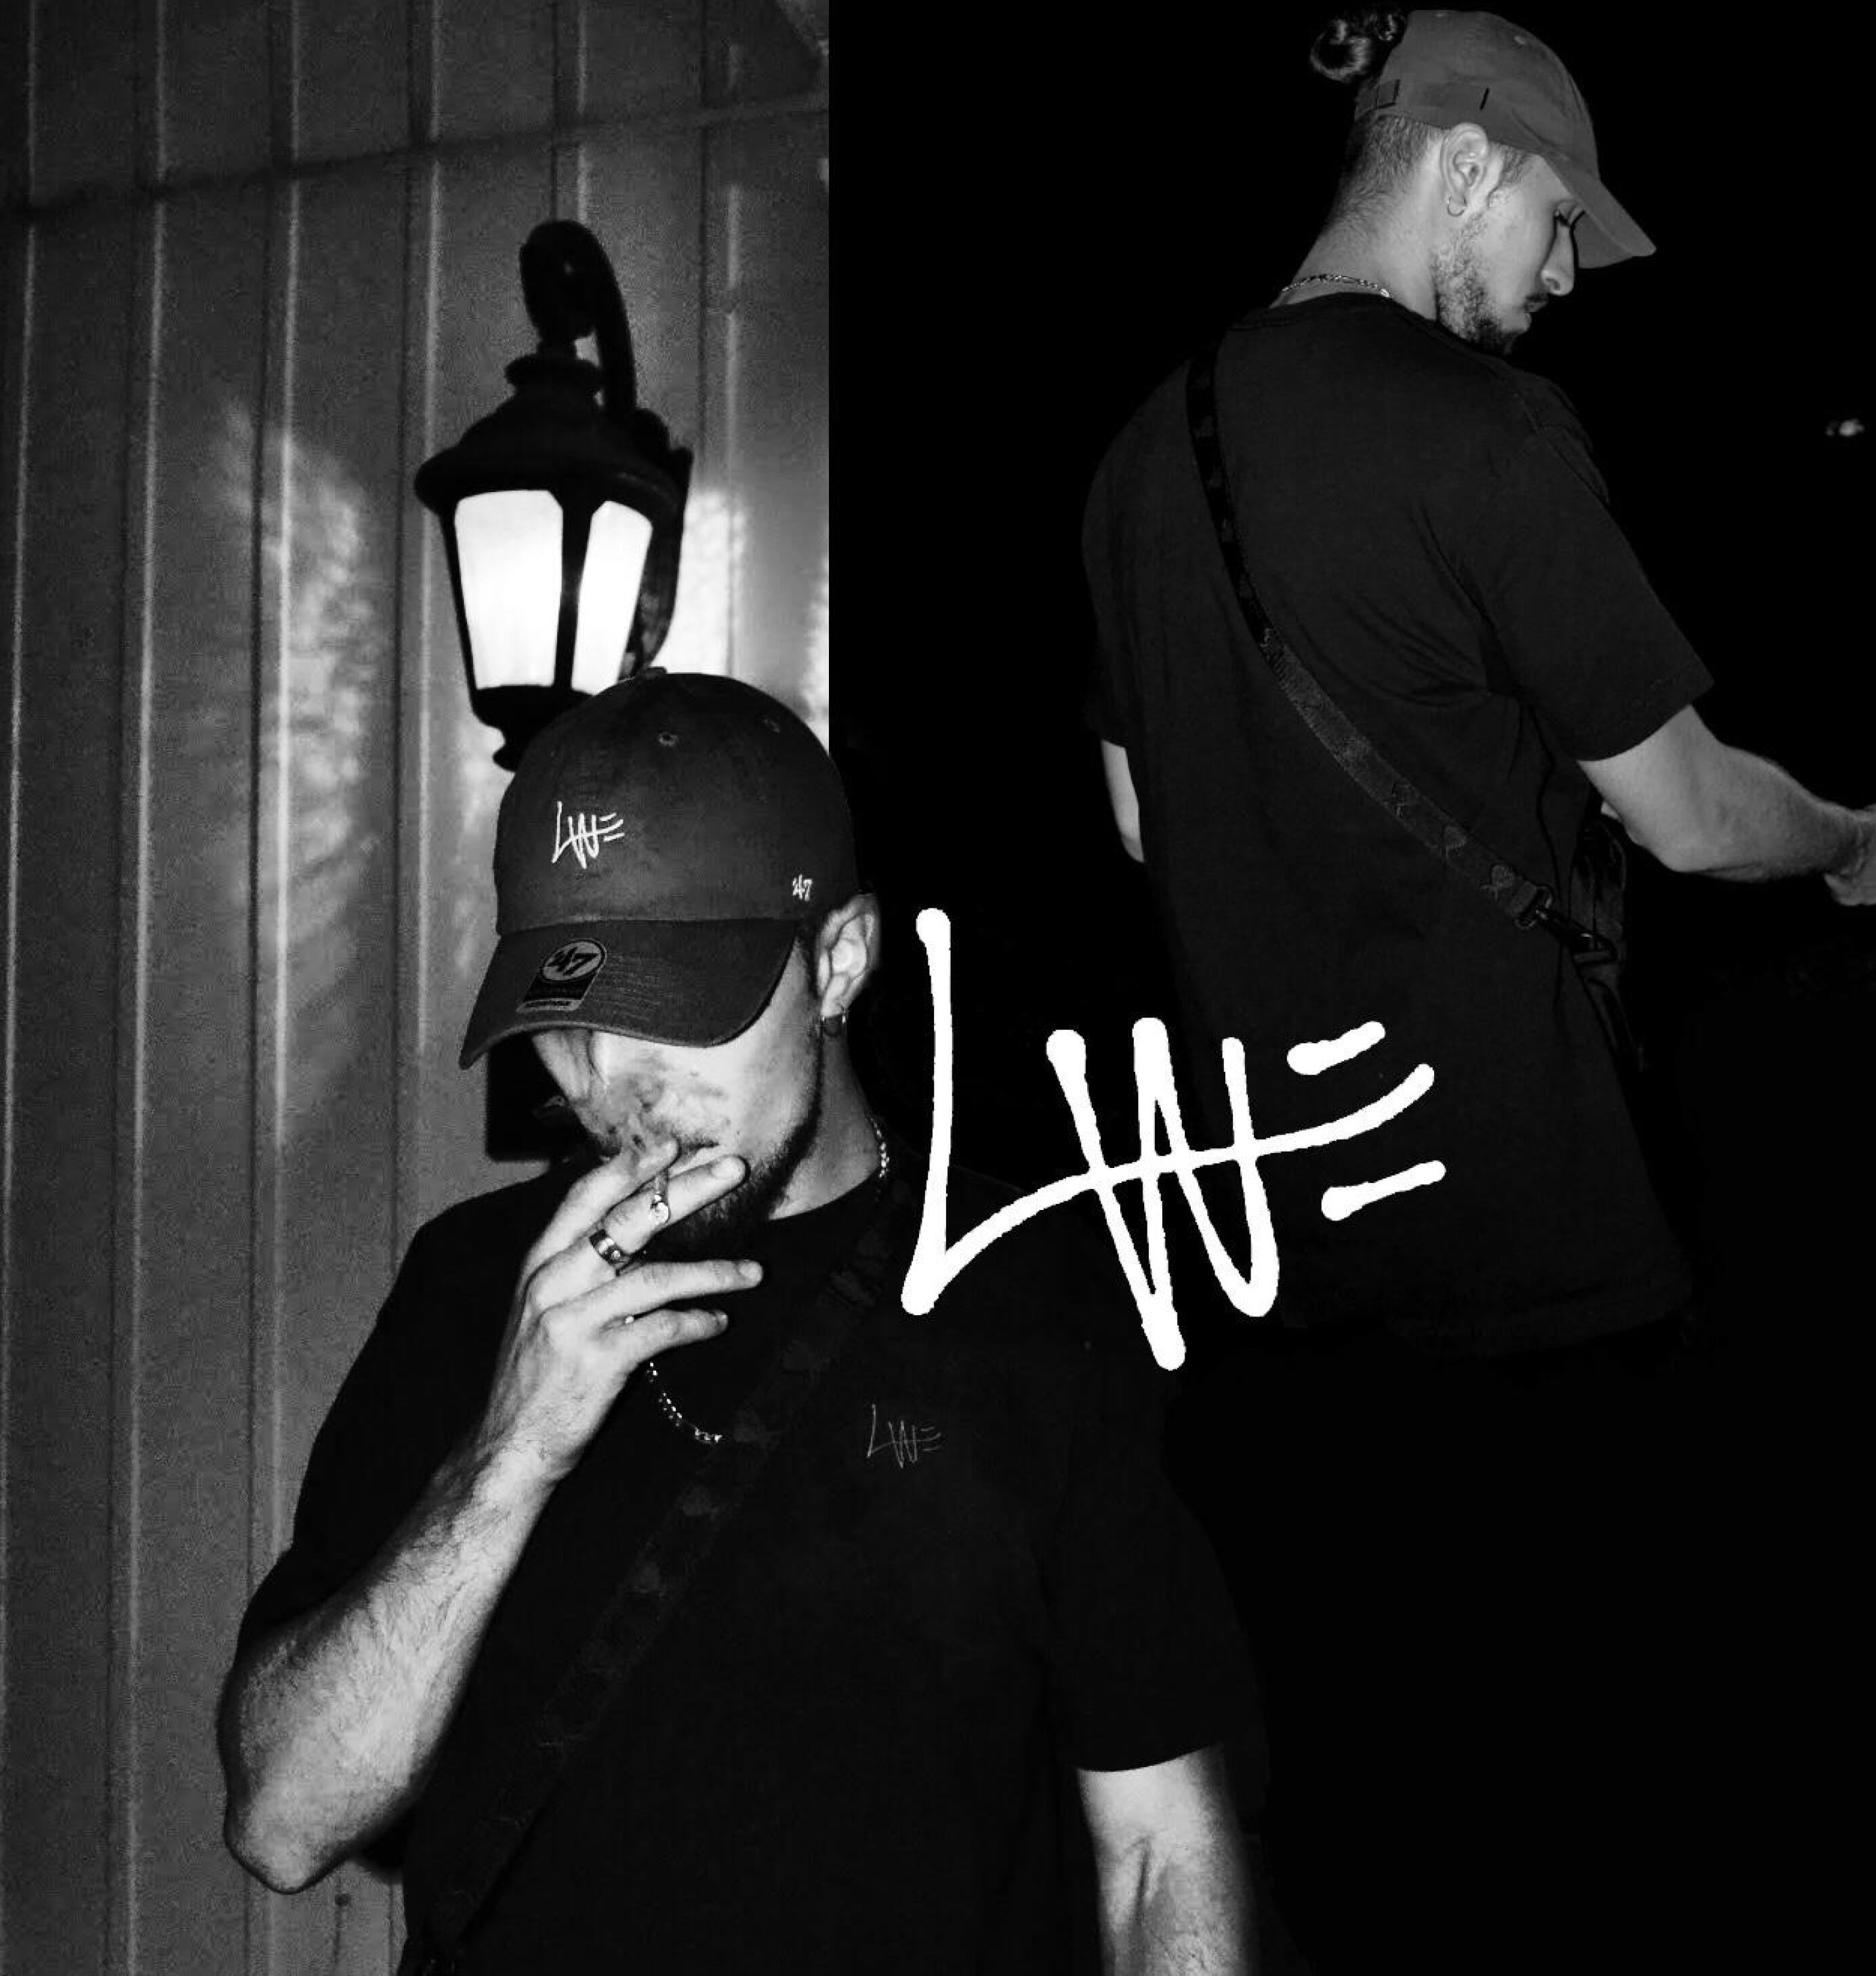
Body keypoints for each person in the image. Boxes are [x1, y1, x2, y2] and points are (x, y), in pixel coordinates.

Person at [1080, 1, 1876, 1958]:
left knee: (1361, 1798)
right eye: (1556, 224)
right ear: (1463, 164)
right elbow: (1692, 816)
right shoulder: (1483, 431)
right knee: (1594, 1783)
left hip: (1276, 1276)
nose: (1562, 281)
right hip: (1534, 1248)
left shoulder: (1137, 460)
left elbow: (1136, 817)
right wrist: (1852, 836)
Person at [218, 671, 1257, 1975]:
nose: (612, 1088)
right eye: (567, 1023)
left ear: (840, 963)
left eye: (675, 1013)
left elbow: (1162, 1852)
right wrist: (509, 1457)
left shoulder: (1035, 1297)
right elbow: (283, 1822)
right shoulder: (474, 1282)